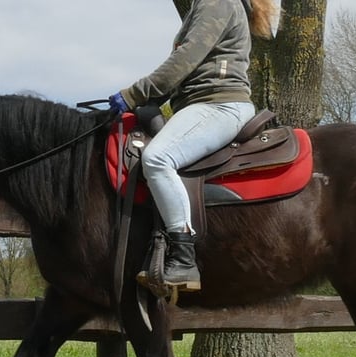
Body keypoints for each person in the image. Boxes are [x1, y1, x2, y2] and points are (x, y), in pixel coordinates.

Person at [109, 0, 278, 293]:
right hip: (200, 106)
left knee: (158, 158)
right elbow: (190, 69)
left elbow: (187, 58)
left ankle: (184, 257)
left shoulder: (218, 2)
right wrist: (150, 102)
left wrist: (135, 93)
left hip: (219, 106)